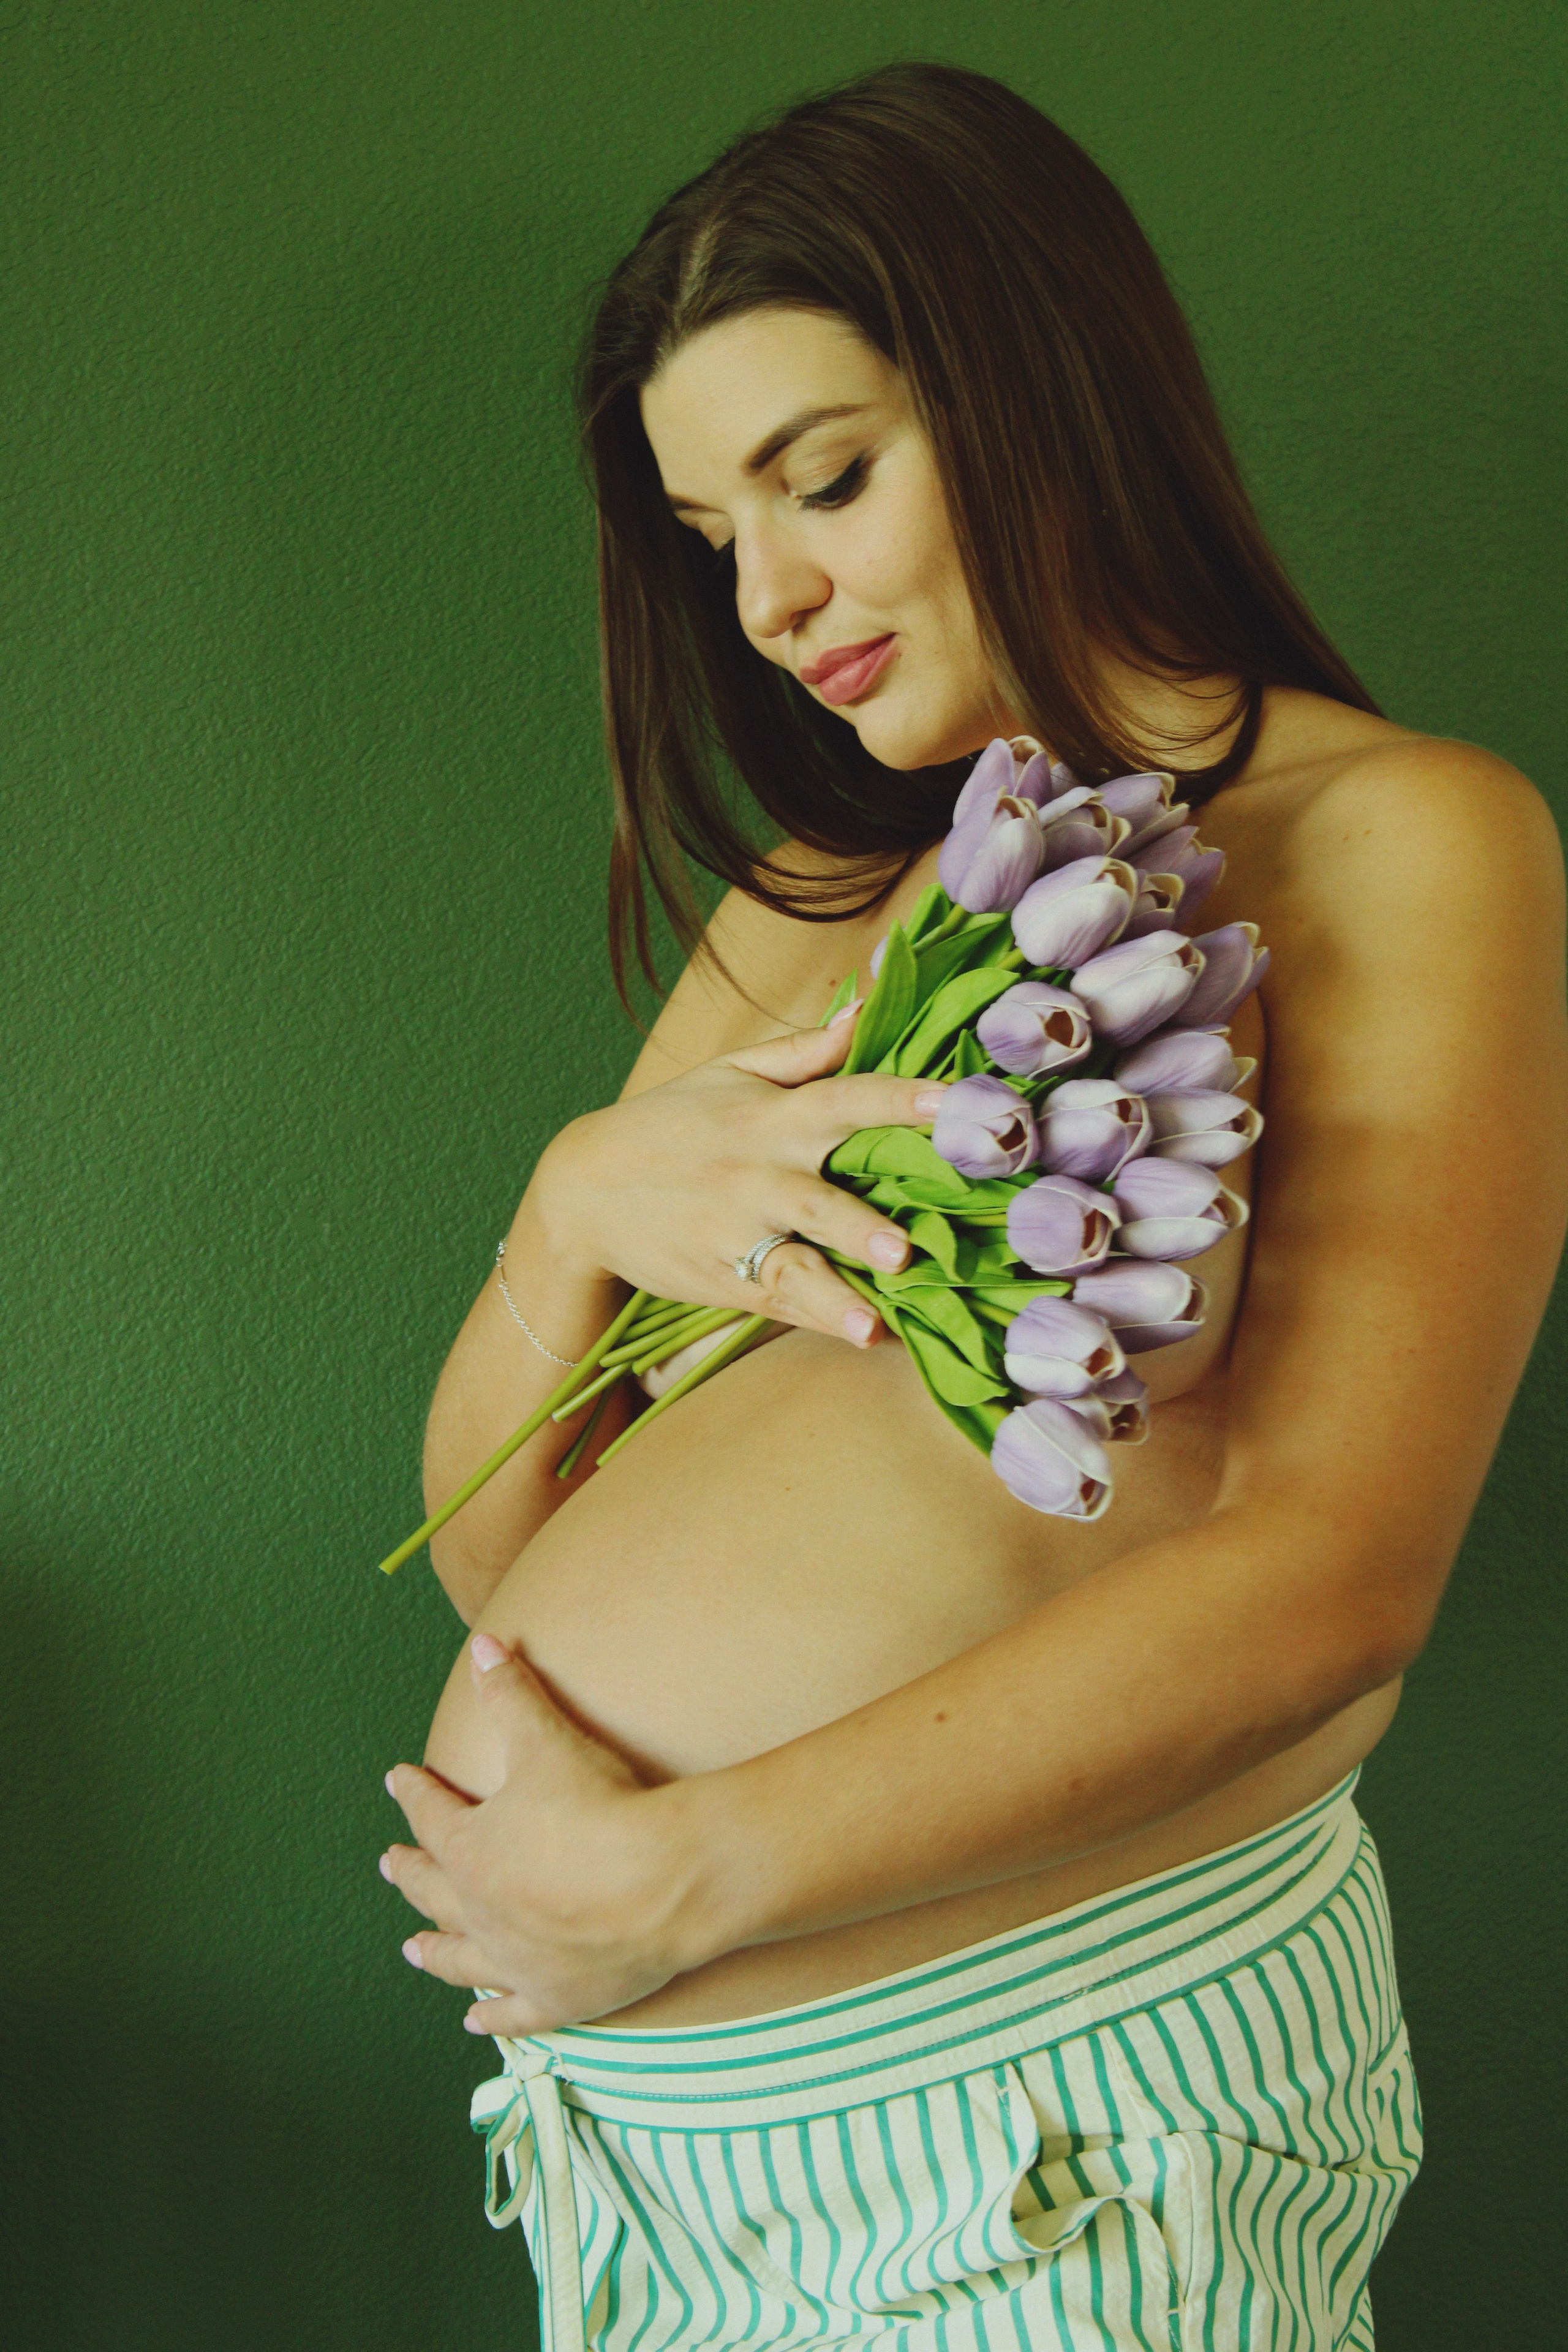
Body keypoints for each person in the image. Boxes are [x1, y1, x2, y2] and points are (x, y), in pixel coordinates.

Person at [377, 62, 1567, 2351]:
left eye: (826, 477)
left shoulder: (1400, 842)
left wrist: (684, 1879)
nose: (773, 594)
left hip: (1055, 2142)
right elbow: (510, 1557)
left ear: (1041, 395)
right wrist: (572, 1212)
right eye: (717, 530)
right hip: (664, 2186)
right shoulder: (814, 907)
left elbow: (1334, 1580)